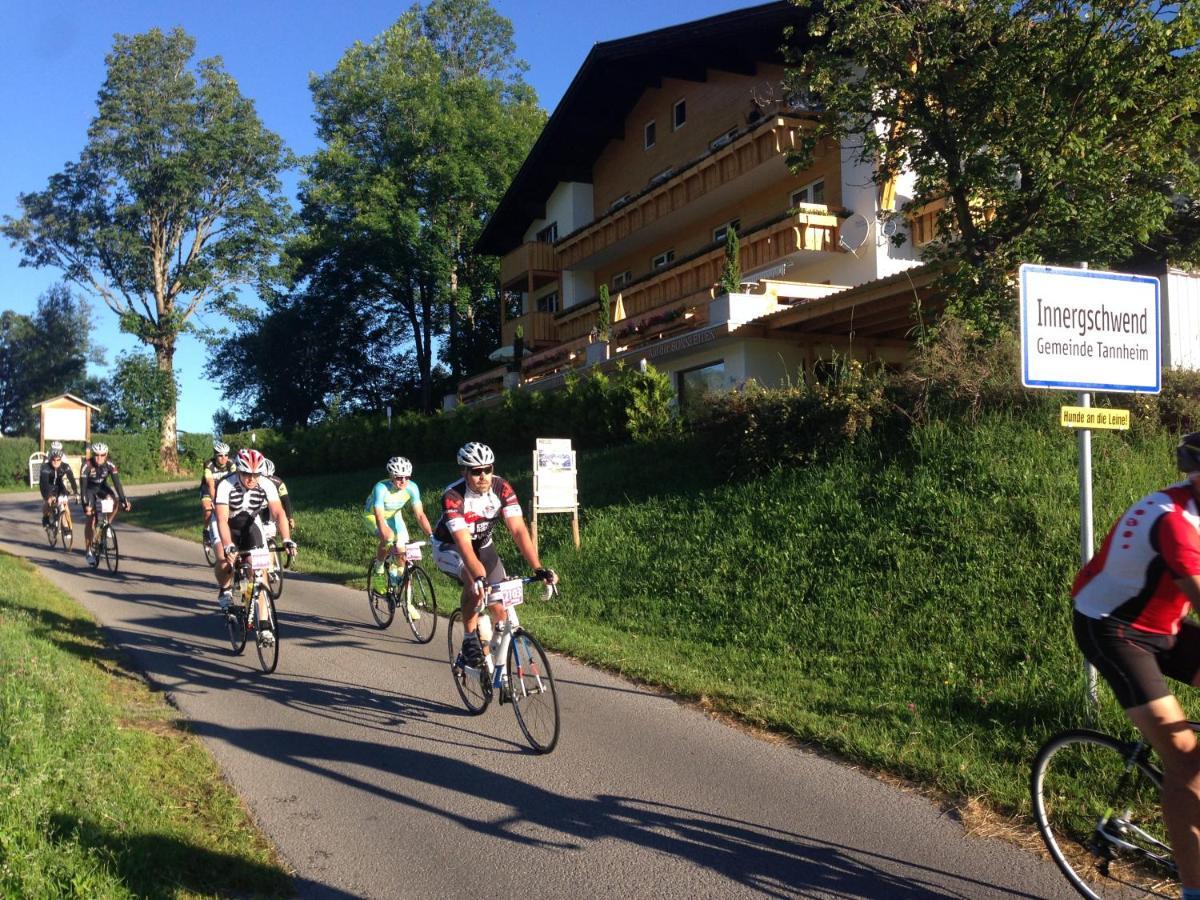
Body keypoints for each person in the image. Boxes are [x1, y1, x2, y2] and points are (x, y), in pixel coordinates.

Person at [1072, 431, 1200, 898]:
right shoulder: (1175, 521)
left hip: (1166, 622)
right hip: (1114, 629)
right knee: (1186, 758)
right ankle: (1193, 890)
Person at [432, 441, 557, 669]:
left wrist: (538, 568)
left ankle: (495, 665)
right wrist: (479, 576)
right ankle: (470, 638)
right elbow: (463, 544)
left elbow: (518, 530)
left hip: (484, 546)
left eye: (488, 469)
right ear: (465, 472)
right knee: (475, 585)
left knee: (499, 607)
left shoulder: (502, 488)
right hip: (449, 547)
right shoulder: (453, 496)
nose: (484, 476)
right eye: (477, 471)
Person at [213, 448, 296, 639]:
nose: (251, 479)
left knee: (260, 570)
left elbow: (278, 512)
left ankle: (265, 625)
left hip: (250, 522)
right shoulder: (225, 485)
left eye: (255, 475)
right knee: (224, 560)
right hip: (226, 523)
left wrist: (287, 539)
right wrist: (228, 545)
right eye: (246, 474)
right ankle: (224, 590)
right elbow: (222, 519)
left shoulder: (266, 483)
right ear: (238, 471)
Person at [364, 457, 434, 611]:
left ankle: (406, 601)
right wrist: (385, 533)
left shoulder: (412, 488)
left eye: (407, 477)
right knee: (388, 538)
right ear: (391, 476)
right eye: (399, 477)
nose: (403, 481)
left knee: (403, 553)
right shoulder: (381, 488)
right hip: (374, 516)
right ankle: (379, 569)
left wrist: (431, 535)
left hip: (395, 516)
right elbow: (379, 515)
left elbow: (420, 515)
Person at [79, 442, 131, 565]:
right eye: (97, 455)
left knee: (115, 501)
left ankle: (107, 524)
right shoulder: (86, 465)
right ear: (93, 454)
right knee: (90, 518)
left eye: (102, 455)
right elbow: (83, 488)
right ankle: (88, 552)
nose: (99, 458)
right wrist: (86, 505)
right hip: (89, 490)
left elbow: (117, 484)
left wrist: (124, 500)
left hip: (102, 488)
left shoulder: (110, 464)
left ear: (106, 455)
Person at [200, 440, 236, 555]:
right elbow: (210, 483)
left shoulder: (231, 463)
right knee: (208, 510)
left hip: (223, 489)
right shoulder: (209, 464)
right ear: (215, 455)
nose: (223, 458)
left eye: (226, 455)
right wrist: (215, 501)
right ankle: (206, 531)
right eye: (220, 455)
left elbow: (236, 481)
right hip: (208, 490)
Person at [39, 446, 78, 534]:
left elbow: (71, 479)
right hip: (46, 486)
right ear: (50, 459)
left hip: (59, 486)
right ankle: (45, 517)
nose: (56, 462)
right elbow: (44, 484)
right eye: (53, 460)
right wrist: (48, 496)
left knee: (64, 504)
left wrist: (76, 492)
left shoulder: (65, 466)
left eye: (58, 460)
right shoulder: (45, 467)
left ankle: (65, 526)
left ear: (61, 459)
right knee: (48, 502)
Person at [258, 457, 295, 538]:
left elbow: (285, 499)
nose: (267, 480)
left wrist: (290, 517)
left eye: (270, 476)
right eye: (264, 477)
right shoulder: (251, 481)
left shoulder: (279, 482)